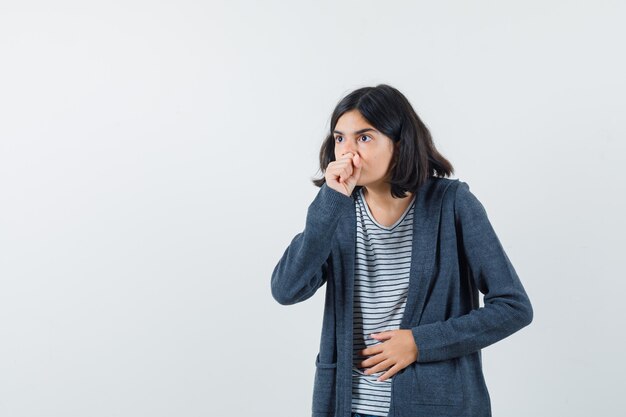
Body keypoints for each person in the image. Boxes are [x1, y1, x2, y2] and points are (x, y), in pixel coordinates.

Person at [270, 84, 533, 417]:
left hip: (434, 406)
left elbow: (514, 307)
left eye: (364, 138)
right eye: (340, 138)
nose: (348, 153)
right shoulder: (336, 211)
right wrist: (328, 203)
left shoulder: (452, 204)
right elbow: (286, 289)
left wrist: (420, 343)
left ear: (400, 142)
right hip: (346, 407)